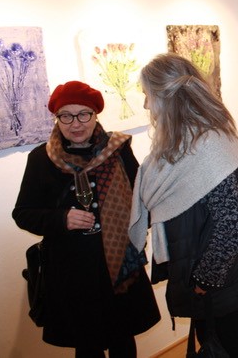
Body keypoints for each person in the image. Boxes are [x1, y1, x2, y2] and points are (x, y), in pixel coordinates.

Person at [129, 53, 238, 357]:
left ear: (166, 97)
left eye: (147, 95)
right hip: (201, 270)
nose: (145, 105)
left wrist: (203, 281)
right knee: (217, 345)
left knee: (233, 348)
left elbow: (232, 227)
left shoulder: (209, 146)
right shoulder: (182, 146)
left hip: (219, 278)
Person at [13, 81, 160, 358]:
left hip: (118, 267)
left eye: (83, 114)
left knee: (123, 340)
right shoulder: (41, 159)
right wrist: (62, 219)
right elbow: (23, 213)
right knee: (87, 345)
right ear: (57, 118)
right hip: (72, 273)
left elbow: (142, 200)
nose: (76, 124)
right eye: (66, 116)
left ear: (95, 115)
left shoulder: (117, 149)